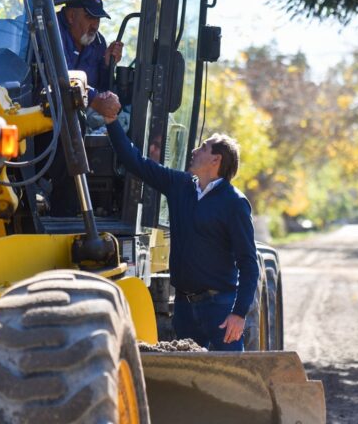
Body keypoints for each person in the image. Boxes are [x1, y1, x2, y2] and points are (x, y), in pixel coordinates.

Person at [95, 92, 259, 351]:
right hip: (184, 308)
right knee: (187, 382)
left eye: (203, 148)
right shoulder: (180, 185)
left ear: (216, 160)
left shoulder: (234, 203)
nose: (194, 151)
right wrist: (111, 121)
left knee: (229, 380)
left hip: (220, 310)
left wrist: (239, 314)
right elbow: (135, 162)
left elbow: (249, 264)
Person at [39, 0, 124, 216]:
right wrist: (95, 99)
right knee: (73, 117)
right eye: (89, 17)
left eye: (97, 18)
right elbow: (59, 78)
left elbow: (102, 88)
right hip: (45, 116)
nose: (94, 24)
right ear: (70, 16)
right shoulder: (49, 31)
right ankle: (64, 211)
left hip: (81, 117)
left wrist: (107, 65)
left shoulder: (97, 43)